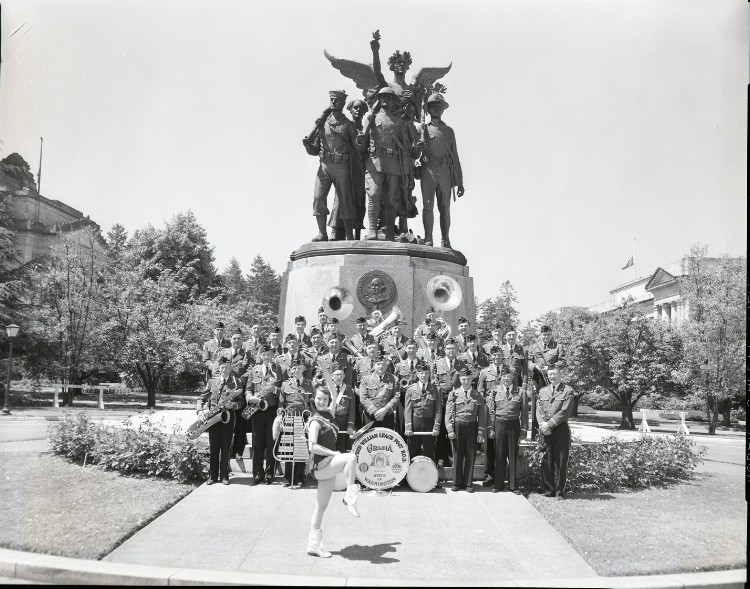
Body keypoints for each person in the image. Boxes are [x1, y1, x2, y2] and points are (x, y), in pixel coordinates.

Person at [358, 86, 421, 241]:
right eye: (383, 97)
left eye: (389, 97)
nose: (385, 99)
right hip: (375, 162)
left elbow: (407, 148)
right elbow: (361, 142)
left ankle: (390, 234)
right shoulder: (371, 118)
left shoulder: (400, 123)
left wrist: (416, 152)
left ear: (393, 101)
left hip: (394, 164)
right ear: (379, 99)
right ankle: (372, 230)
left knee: (391, 199)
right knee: (373, 194)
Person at [306, 386, 361, 558]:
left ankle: (313, 545)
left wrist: (326, 372)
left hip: (327, 465)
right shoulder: (315, 421)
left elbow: (335, 392)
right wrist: (333, 453)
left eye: (324, 399)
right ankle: (350, 498)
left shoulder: (329, 413)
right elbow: (312, 447)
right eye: (318, 399)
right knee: (351, 457)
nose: (321, 402)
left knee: (320, 507)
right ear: (313, 400)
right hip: (321, 465)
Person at [303, 89, 362, 241]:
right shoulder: (322, 123)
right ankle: (322, 233)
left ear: (343, 103)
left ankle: (348, 234)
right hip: (324, 166)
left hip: (342, 166)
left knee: (345, 201)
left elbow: (358, 148)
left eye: (337, 99)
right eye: (332, 99)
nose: (334, 101)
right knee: (318, 198)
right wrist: (308, 146)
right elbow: (314, 150)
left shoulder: (348, 125)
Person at [418, 93, 464, 249]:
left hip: (445, 171)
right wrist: (419, 148)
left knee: (445, 207)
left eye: (439, 107)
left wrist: (459, 181)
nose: (436, 109)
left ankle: (445, 239)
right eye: (433, 107)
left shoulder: (449, 131)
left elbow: (455, 156)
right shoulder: (423, 128)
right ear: (428, 109)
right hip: (428, 169)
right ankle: (428, 238)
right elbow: (414, 153)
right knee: (427, 205)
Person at [197, 357, 245, 485]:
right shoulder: (212, 382)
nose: (224, 370)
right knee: (213, 447)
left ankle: (224, 476)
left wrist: (233, 406)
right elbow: (201, 398)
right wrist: (200, 411)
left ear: (231, 368)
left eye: (227, 367)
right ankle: (212, 476)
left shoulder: (237, 382)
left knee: (225, 446)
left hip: (228, 417)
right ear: (219, 368)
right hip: (213, 418)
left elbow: (242, 402)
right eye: (221, 367)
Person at [537, 361, 575, 499]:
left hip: (560, 429)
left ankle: (560, 491)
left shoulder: (568, 391)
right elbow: (538, 409)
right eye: (550, 374)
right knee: (546, 460)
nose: (552, 377)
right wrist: (542, 425)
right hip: (545, 430)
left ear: (560, 375)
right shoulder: (543, 391)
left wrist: (550, 424)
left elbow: (565, 412)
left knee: (560, 461)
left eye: (554, 374)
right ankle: (549, 490)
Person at [246, 344, 283, 485]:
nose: (266, 357)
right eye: (264, 354)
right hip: (257, 410)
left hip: (272, 410)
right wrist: (250, 398)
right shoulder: (253, 371)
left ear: (272, 355)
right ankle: (257, 474)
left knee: (271, 443)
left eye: (268, 354)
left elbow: (284, 391)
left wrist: (275, 389)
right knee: (258, 443)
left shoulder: (279, 370)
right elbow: (248, 389)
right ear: (260, 355)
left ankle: (269, 474)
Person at [487, 365, 526, 495]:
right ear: (500, 378)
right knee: (499, 454)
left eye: (509, 376)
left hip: (514, 424)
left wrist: (524, 430)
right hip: (499, 424)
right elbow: (491, 411)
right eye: (504, 376)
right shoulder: (495, 391)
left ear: (513, 377)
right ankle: (498, 484)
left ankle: (513, 486)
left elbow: (524, 413)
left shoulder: (520, 392)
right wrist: (491, 428)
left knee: (512, 455)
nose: (506, 378)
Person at [445, 367, 486, 492]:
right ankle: (456, 482)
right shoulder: (454, 394)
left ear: (471, 379)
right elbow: (448, 413)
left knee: (470, 455)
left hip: (472, 426)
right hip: (458, 425)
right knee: (457, 455)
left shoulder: (477, 395)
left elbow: (482, 415)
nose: (466, 381)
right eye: (463, 379)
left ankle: (468, 483)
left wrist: (480, 432)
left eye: (468, 379)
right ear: (460, 379)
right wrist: (450, 429)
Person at [278, 359, 314, 488]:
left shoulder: (310, 384)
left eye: (299, 368)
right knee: (288, 449)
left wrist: (311, 421)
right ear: (290, 370)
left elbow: (312, 405)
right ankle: (288, 478)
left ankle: (299, 477)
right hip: (289, 419)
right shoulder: (285, 384)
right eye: (294, 368)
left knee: (301, 448)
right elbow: (281, 406)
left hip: (304, 419)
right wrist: (280, 420)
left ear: (304, 369)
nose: (296, 371)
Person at [432, 338, 466, 467]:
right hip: (441, 398)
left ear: (457, 350)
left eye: (453, 348)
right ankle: (441, 457)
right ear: (444, 350)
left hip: (456, 399)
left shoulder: (461, 364)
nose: (451, 351)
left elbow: (464, 381)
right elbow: (434, 381)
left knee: (454, 426)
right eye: (448, 348)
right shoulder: (437, 363)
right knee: (441, 427)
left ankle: (453, 457)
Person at [528, 325, 565, 438]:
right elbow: (528, 361)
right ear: (541, 335)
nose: (546, 337)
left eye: (548, 335)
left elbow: (562, 362)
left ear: (551, 334)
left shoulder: (558, 347)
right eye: (544, 335)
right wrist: (535, 366)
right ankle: (536, 433)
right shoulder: (534, 347)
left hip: (552, 379)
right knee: (538, 404)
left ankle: (552, 429)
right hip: (537, 379)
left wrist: (549, 367)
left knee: (552, 403)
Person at [477, 346, 504, 487]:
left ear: (502, 356)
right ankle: (489, 475)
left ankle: (501, 474)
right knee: (489, 445)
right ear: (490, 357)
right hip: (489, 411)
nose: (496, 358)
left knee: (502, 444)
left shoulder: (508, 371)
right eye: (494, 355)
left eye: (499, 355)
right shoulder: (484, 372)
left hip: (504, 411)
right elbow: (480, 393)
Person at [404, 363, 441, 463]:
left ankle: (431, 475)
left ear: (429, 374)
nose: (423, 375)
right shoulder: (411, 389)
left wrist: (436, 426)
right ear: (417, 374)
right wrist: (408, 426)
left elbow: (438, 410)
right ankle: (411, 475)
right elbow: (407, 410)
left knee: (429, 449)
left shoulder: (436, 389)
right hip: (415, 421)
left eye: (426, 373)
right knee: (413, 448)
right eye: (421, 373)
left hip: (429, 422)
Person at [225, 328, 250, 460]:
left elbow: (250, 371)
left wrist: (240, 381)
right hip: (225, 392)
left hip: (240, 392)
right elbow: (218, 369)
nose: (236, 340)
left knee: (240, 424)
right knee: (226, 423)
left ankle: (238, 451)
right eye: (234, 338)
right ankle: (226, 450)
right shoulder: (223, 353)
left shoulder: (247, 354)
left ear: (242, 341)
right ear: (231, 339)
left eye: (239, 338)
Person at [346, 99, 369, 240]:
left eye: (361, 108)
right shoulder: (345, 125)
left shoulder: (366, 128)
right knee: (343, 200)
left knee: (360, 200)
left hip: (361, 167)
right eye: (355, 108)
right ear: (350, 109)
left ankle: (358, 232)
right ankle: (339, 231)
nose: (358, 110)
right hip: (345, 166)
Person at [359, 354, 398, 429]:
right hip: (370, 415)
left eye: (383, 364)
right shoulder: (365, 379)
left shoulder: (394, 379)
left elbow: (396, 397)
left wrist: (385, 410)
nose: (380, 366)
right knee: (369, 439)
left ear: (386, 366)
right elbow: (363, 398)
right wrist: (374, 411)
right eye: (378, 364)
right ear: (374, 366)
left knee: (387, 439)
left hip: (387, 415)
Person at [328, 363, 356, 452]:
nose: (339, 377)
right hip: (330, 419)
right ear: (332, 376)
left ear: (344, 376)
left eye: (341, 375)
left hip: (343, 421)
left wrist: (350, 425)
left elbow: (352, 410)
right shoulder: (326, 388)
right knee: (330, 446)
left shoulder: (349, 390)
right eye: (337, 375)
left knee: (342, 447)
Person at [201, 321, 230, 386]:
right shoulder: (207, 344)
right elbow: (205, 360)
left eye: (221, 330)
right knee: (212, 392)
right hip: (211, 373)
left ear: (224, 331)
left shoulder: (229, 344)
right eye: (217, 330)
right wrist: (214, 367)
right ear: (214, 331)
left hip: (225, 373)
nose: (219, 331)